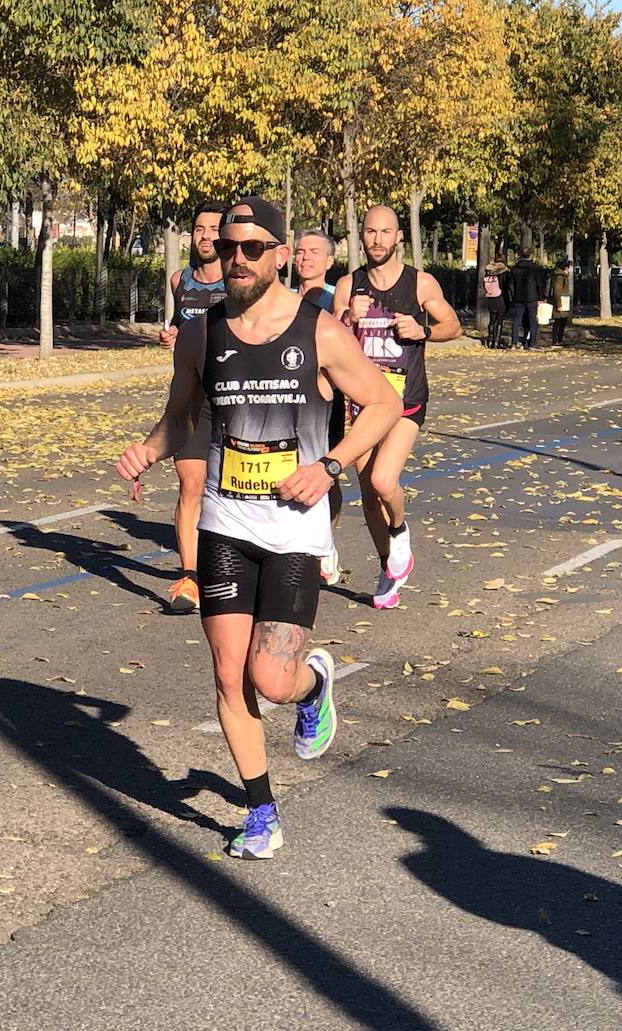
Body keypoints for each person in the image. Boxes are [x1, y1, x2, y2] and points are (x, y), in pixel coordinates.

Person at [117, 197, 401, 860]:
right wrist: (149, 449)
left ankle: (314, 685)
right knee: (227, 675)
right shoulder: (201, 333)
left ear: (278, 254)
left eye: (251, 248)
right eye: (228, 246)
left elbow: (383, 404)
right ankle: (260, 810)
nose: (235, 258)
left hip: (296, 529)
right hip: (224, 522)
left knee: (271, 679)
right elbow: (181, 414)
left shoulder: (320, 331)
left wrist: (331, 465)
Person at [332, 205, 461, 610]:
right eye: (370, 232)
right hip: (363, 403)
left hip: (406, 399)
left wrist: (422, 330)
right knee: (367, 491)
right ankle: (389, 565)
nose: (376, 240)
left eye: (385, 232)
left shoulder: (420, 284)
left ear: (398, 237)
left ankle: (401, 532)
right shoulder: (347, 285)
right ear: (361, 236)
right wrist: (348, 319)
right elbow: (331, 337)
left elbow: (452, 326)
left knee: (384, 481)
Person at [154, 200, 230, 614]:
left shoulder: (240, 280)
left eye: (213, 229)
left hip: (237, 400)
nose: (204, 237)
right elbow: (181, 329)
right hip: (192, 400)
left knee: (235, 488)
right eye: (199, 229)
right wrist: (172, 338)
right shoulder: (179, 280)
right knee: (191, 485)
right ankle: (190, 578)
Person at [294, 229, 345, 585]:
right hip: (287, 399)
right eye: (299, 251)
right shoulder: (279, 298)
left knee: (327, 468)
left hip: (327, 399)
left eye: (314, 251)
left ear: (329, 261)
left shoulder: (334, 300)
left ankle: (324, 542)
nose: (305, 257)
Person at [506, 247, 546, 350]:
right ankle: (532, 343)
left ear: (519, 255)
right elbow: (539, 284)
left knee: (516, 321)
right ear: (530, 255)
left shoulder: (514, 269)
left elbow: (511, 284)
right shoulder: (535, 268)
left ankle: (514, 343)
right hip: (532, 297)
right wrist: (541, 297)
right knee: (532, 321)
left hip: (518, 298)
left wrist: (512, 297)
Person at [482, 257, 509, 349]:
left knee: (492, 319)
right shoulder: (503, 272)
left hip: (490, 297)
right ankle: (497, 341)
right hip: (500, 298)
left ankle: (490, 340)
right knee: (500, 320)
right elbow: (506, 285)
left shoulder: (489, 270)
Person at [549, 257, 572, 345]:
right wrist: (559, 304)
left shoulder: (563, 276)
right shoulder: (560, 277)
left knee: (562, 321)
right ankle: (556, 340)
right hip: (560, 301)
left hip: (563, 301)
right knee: (558, 321)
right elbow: (557, 291)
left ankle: (559, 339)